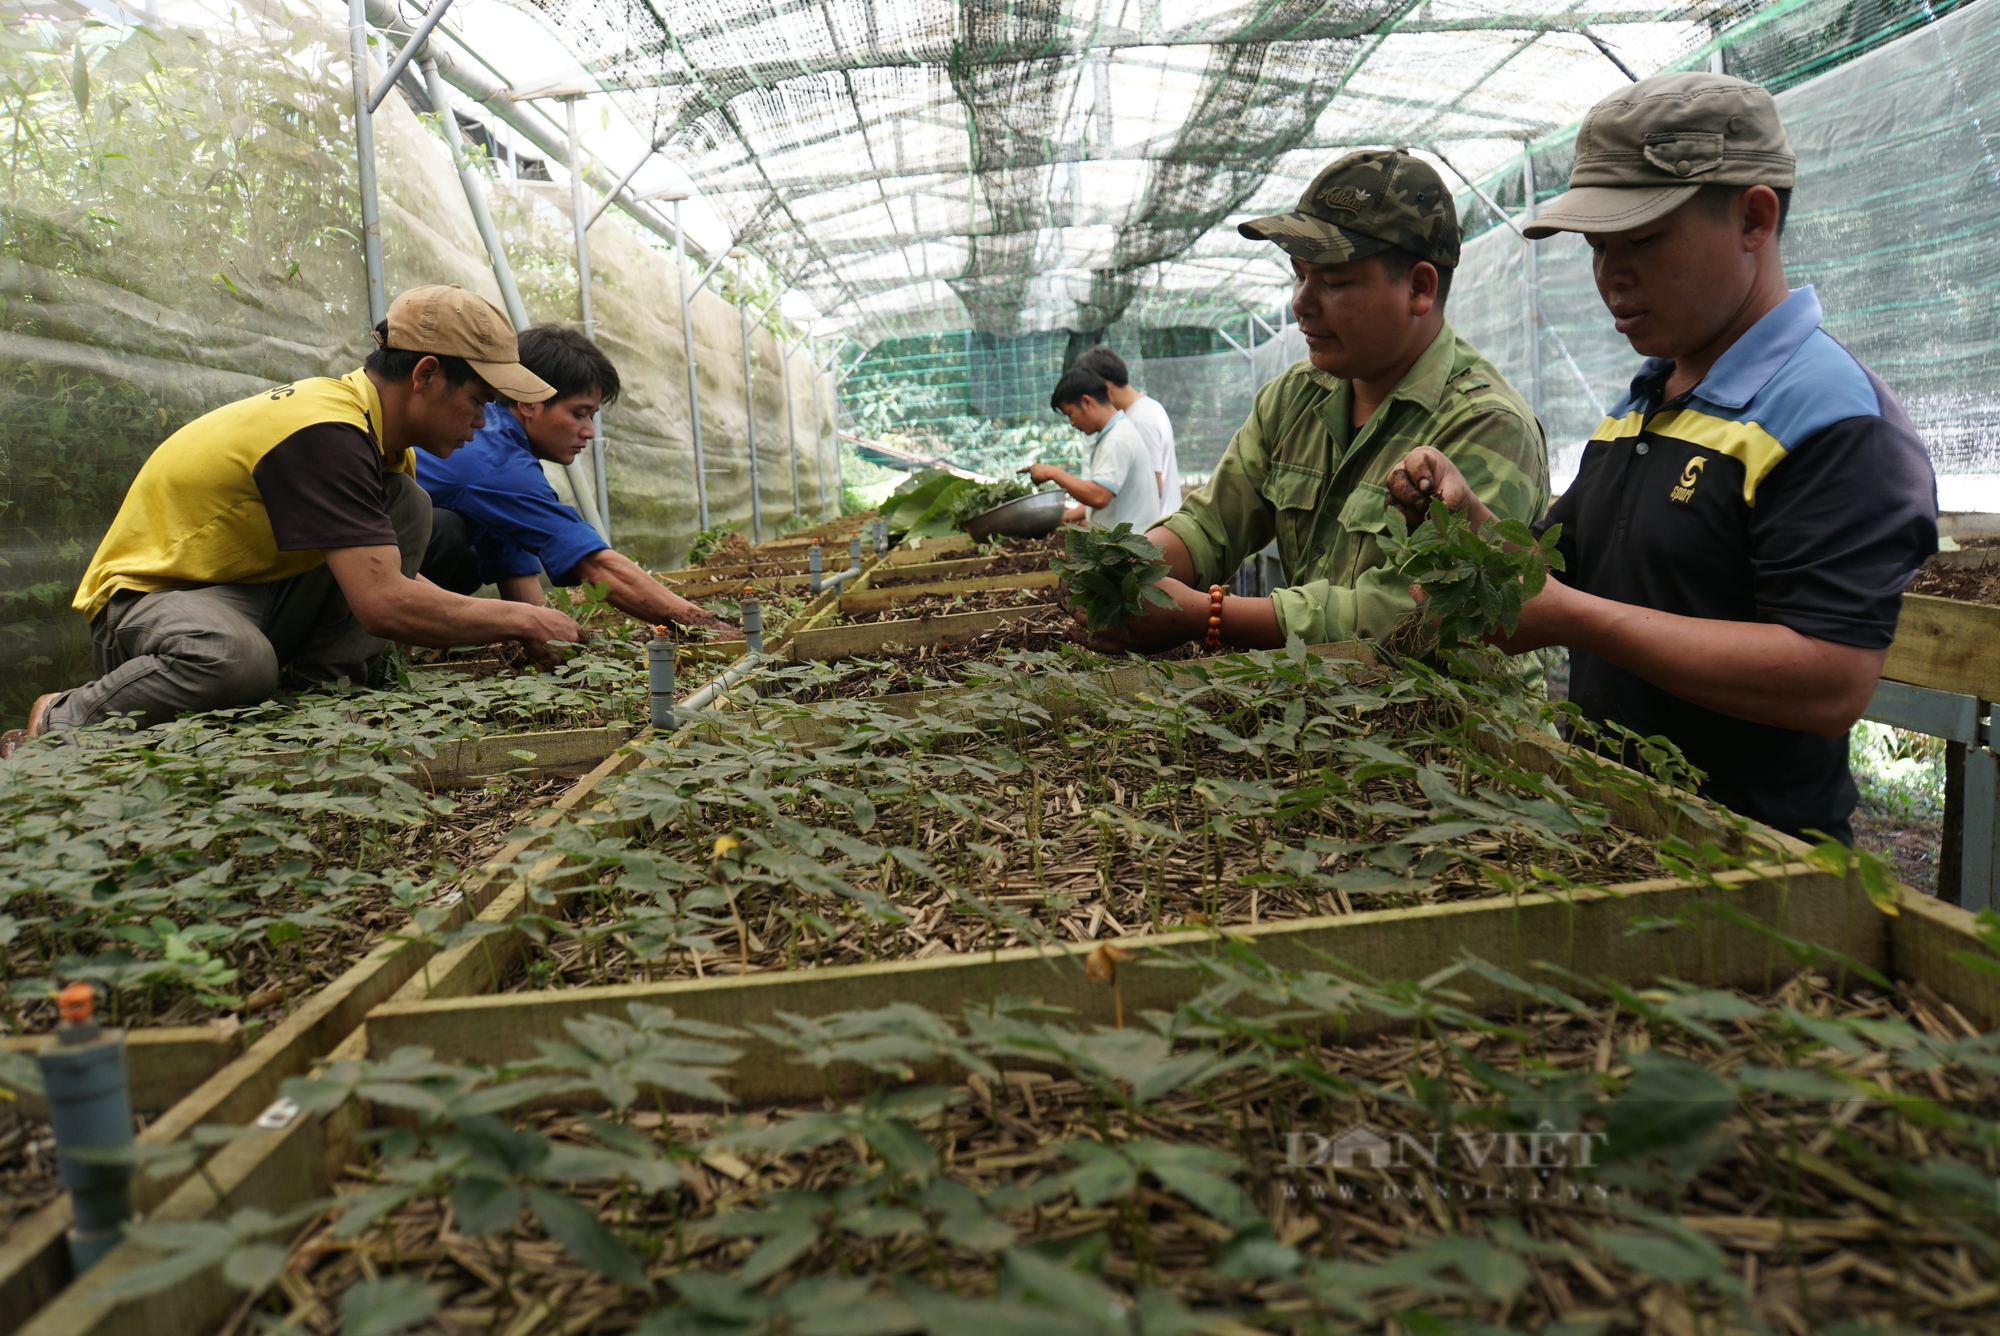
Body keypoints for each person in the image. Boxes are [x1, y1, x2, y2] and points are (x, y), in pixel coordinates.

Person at [1391, 72, 1938, 843]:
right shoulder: (1644, 403)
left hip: (1759, 875)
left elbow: (1828, 678)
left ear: (1754, 218)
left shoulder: (1834, 417)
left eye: (1643, 239)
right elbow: (1557, 579)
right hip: (1617, 836)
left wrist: (1575, 621)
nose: (1611, 274)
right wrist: (1466, 524)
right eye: (1598, 245)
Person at [2, 285, 584, 753]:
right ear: (426, 375)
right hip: (156, 601)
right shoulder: (325, 431)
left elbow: (388, 578)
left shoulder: (378, 443)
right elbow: (384, 603)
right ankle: (61, 717)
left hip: (256, 594)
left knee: (409, 504)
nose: (482, 421)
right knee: (234, 663)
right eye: (479, 399)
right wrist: (521, 620)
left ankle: (318, 700)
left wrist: (515, 616)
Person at [1075, 148, 1548, 652]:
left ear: (1419, 287)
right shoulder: (1294, 398)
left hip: (1453, 724)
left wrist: (1208, 617)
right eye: (1300, 275)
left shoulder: (1486, 424)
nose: (1301, 303)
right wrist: (1125, 570)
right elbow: (1214, 521)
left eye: (1334, 282)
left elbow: (1415, 616)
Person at [416, 323, 725, 632]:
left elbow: (514, 571)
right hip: (373, 563)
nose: (589, 431)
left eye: (591, 417)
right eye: (579, 413)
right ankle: (385, 654)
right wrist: (706, 628)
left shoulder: (497, 449)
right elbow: (598, 567)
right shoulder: (494, 462)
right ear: (528, 402)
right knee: (445, 532)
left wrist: (547, 641)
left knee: (468, 558)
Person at [1025, 367, 1163, 533]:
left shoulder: (1117, 440)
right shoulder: (1118, 432)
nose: (1072, 422)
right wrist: (1063, 518)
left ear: (1087, 402)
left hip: (1129, 549)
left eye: (1070, 413)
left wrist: (1054, 473)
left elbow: (1099, 496)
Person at [1072, 346, 1180, 511]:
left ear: (1105, 388)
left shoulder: (1139, 421)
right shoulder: (1149, 407)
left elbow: (1152, 490)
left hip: (1154, 530)